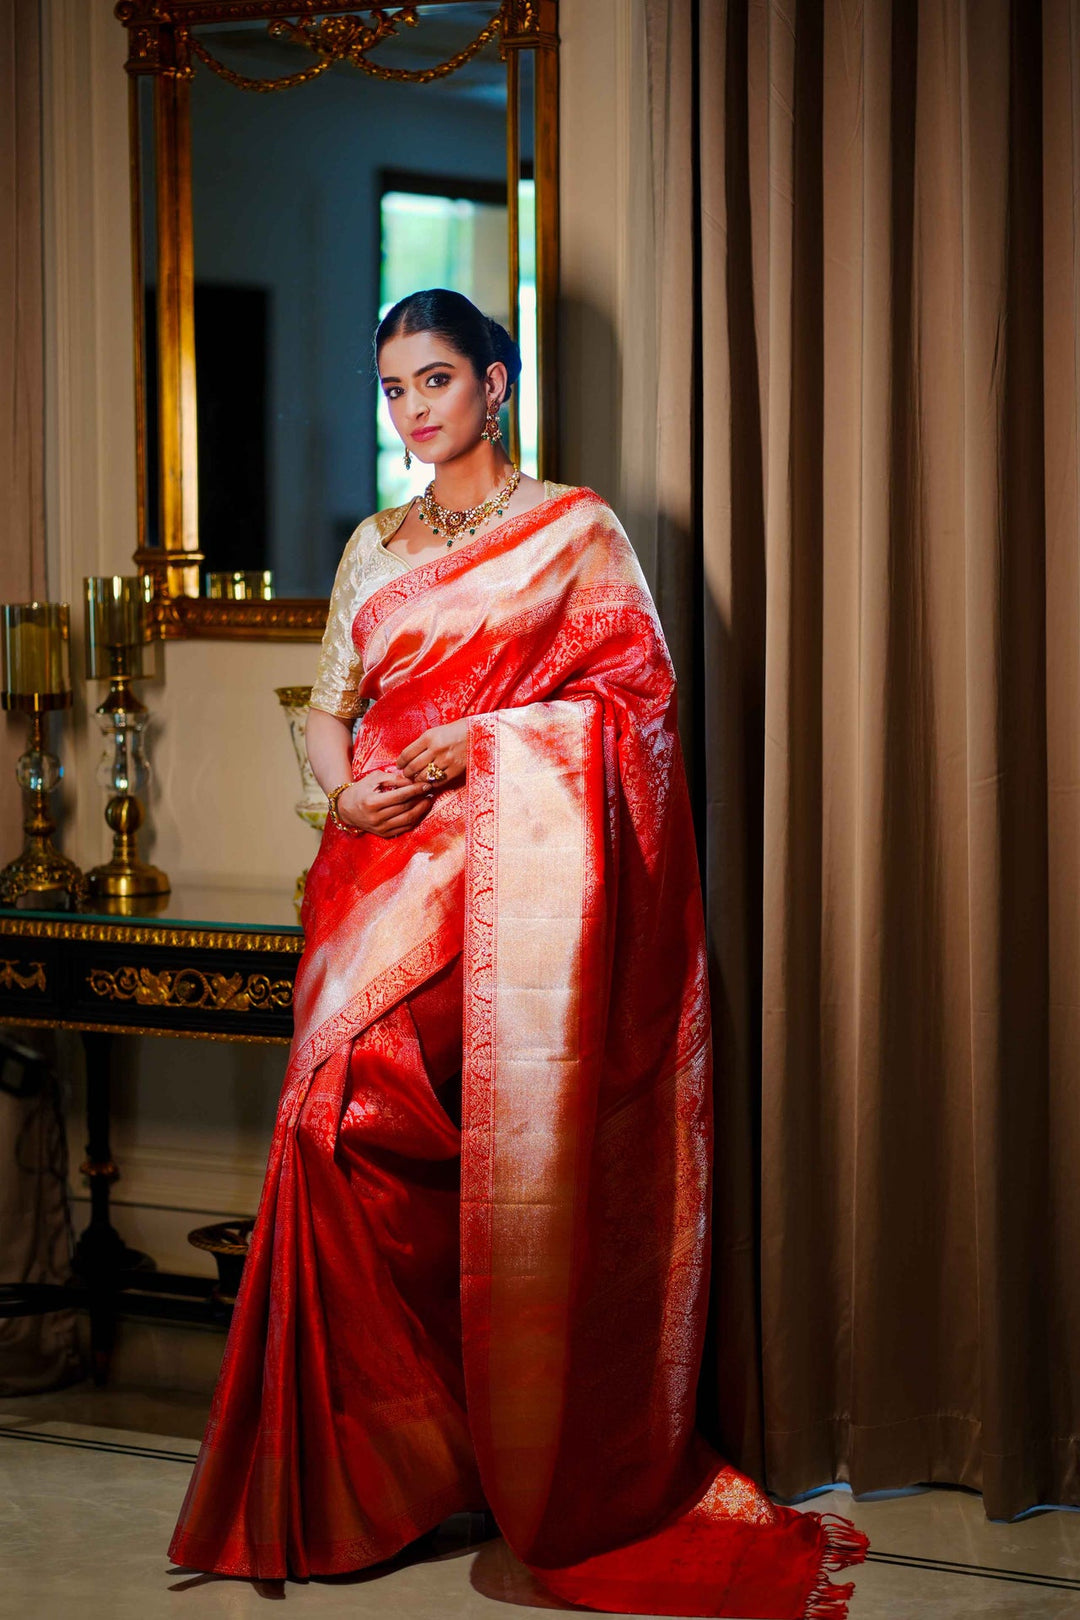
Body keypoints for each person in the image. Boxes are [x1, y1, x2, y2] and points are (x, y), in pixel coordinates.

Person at [168, 288, 869, 1618]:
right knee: (325, 1136)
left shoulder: (575, 529)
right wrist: (341, 791)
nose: (413, 410)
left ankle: (495, 1451)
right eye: (393, 389)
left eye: (435, 380)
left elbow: (638, 705)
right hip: (371, 877)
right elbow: (329, 709)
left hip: (509, 893)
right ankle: (370, 1481)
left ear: (496, 383)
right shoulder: (374, 545)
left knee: (483, 1158)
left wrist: (481, 746)